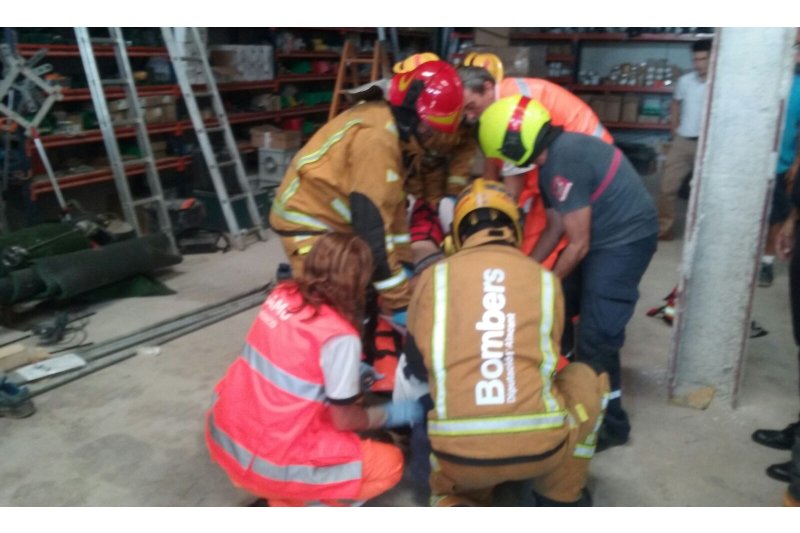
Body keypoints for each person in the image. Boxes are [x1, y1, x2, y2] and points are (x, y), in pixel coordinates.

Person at [401, 179, 609, 506]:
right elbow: (549, 361)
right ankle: (560, 498)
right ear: (515, 228)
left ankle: (455, 500)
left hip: (458, 454)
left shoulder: (432, 278)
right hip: (541, 449)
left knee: (452, 467)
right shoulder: (545, 280)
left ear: (457, 235)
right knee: (588, 378)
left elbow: (415, 364)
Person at [477, 95, 658, 450]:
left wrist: (544, 281)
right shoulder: (552, 162)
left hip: (624, 240)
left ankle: (610, 423)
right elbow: (555, 227)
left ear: (513, 144)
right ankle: (573, 390)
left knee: (597, 332)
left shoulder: (565, 160)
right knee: (561, 308)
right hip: (603, 238)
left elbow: (577, 245)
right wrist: (526, 271)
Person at [205, 233, 424, 507]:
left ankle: (285, 489)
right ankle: (299, 503)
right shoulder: (339, 336)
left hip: (228, 437)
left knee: (347, 400)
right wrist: (388, 414)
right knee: (390, 464)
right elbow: (344, 421)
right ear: (358, 281)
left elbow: (291, 357)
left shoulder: (281, 296)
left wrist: (348, 371)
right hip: (272, 462)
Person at [268, 60, 464, 326]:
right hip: (308, 222)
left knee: (362, 293)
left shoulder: (395, 134)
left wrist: (403, 264)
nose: (430, 137)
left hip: (331, 220)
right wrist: (400, 300)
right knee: (329, 315)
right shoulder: (377, 141)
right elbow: (372, 229)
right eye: (428, 128)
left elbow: (391, 210)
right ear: (410, 111)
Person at [458, 58, 613, 267]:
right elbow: (493, 162)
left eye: (471, 107)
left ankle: (536, 280)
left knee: (542, 240)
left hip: (586, 164)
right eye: (464, 112)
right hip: (581, 155)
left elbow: (514, 182)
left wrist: (495, 218)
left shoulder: (509, 107)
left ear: (487, 87)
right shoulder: (501, 100)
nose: (470, 116)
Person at [655, 39, 712, 241]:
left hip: (709, 145)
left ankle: (703, 234)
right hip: (683, 140)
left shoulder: (721, 83)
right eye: (695, 59)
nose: (698, 64)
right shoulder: (686, 81)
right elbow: (675, 104)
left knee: (707, 191)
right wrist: (674, 129)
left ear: (713, 58)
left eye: (703, 59)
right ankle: (664, 227)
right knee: (667, 186)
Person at [760, 37, 800, 287]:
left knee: (776, 216)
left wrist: (797, 161)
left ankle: (766, 262)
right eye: (795, 47)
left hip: (781, 164)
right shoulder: (764, 79)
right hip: (751, 164)